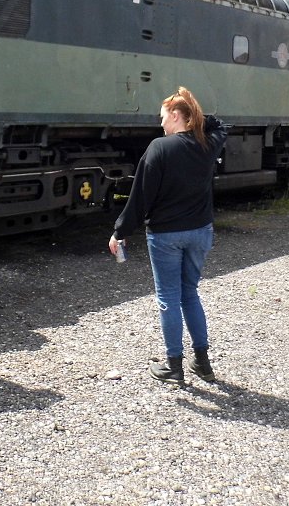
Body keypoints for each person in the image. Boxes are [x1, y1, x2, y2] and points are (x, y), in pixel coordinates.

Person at [108, 87, 228, 385]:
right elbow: (221, 125)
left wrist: (120, 232)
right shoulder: (208, 143)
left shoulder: (159, 148)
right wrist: (192, 105)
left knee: (168, 297)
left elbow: (140, 198)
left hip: (166, 236)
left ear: (176, 116)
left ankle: (174, 365)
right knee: (190, 293)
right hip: (200, 232)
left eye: (163, 116)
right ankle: (203, 363)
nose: (160, 123)